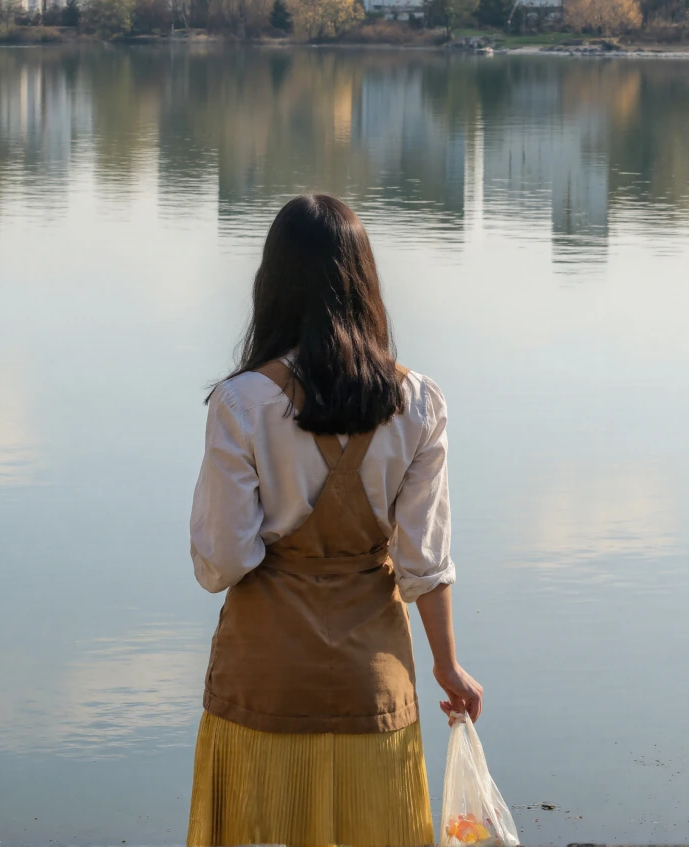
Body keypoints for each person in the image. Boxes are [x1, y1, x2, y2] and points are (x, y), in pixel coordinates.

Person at [186, 194, 484, 847]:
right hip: (371, 686)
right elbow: (425, 563)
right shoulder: (419, 403)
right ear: (364, 282)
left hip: (262, 679)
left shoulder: (241, 403)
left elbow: (222, 562)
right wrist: (448, 666)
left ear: (272, 283)